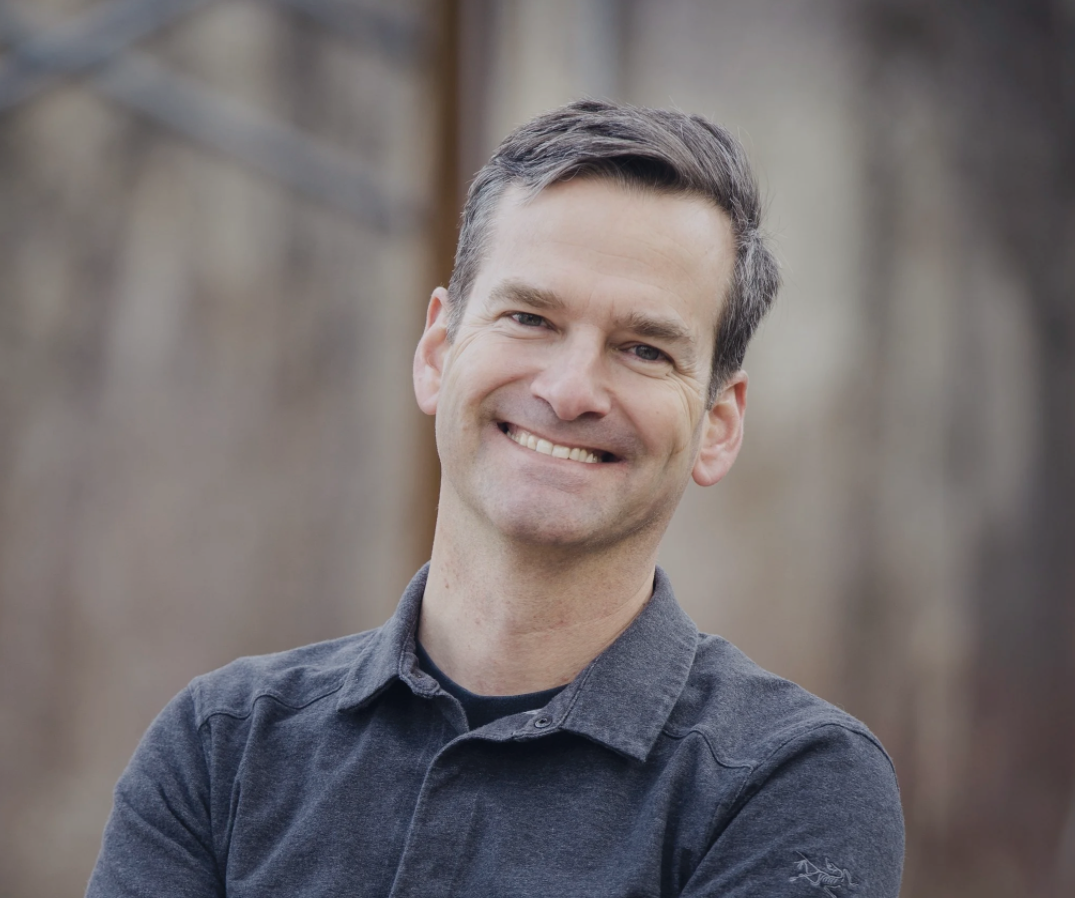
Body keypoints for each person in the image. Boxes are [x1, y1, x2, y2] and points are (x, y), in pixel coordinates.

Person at [86, 101, 904, 897]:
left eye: (644, 349)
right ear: (439, 352)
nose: (571, 388)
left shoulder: (788, 783)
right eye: (528, 317)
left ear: (718, 424)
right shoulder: (222, 745)